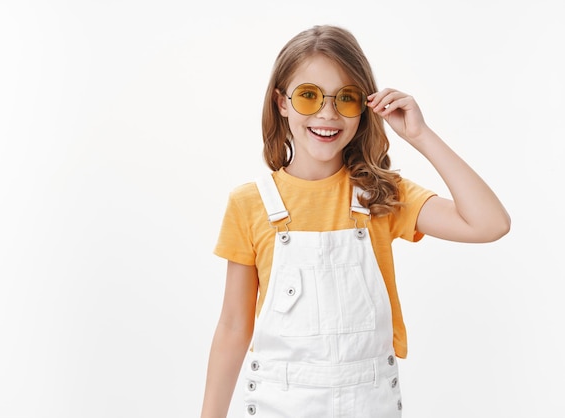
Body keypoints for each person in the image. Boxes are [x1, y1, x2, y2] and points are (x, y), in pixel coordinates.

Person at [200, 24, 510, 418]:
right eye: (309, 96)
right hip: (280, 405)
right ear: (281, 102)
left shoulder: (381, 195)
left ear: (364, 107)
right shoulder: (250, 203)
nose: (327, 115)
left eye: (346, 99)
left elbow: (490, 224)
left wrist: (420, 135)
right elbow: (232, 327)